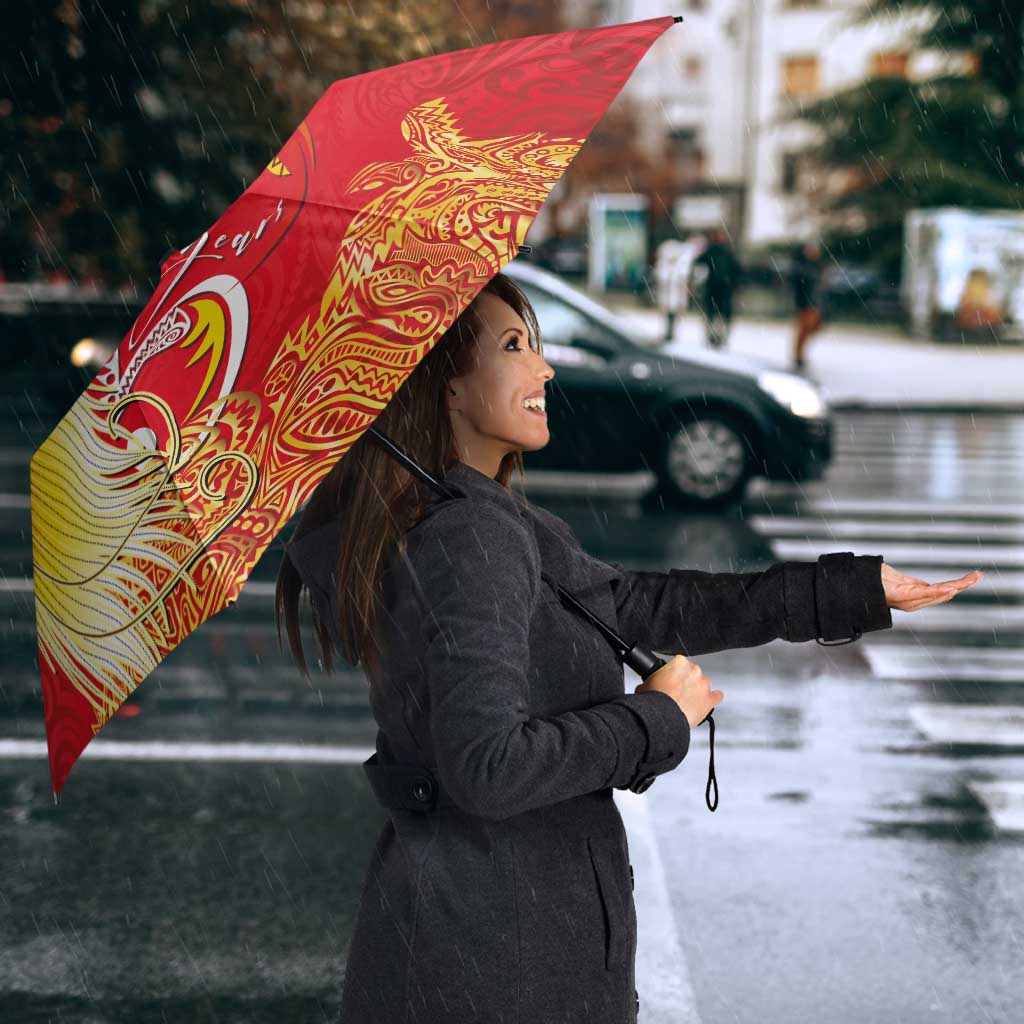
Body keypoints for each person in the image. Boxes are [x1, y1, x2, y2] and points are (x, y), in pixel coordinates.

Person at [275, 271, 972, 1024]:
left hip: (480, 942)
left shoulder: (472, 517)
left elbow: (638, 605)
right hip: (498, 963)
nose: (544, 368)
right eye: (515, 346)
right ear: (446, 385)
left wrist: (850, 592)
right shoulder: (468, 536)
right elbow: (488, 767)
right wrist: (656, 719)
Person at [692, 226, 742, 349]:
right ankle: (713, 337)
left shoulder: (725, 252)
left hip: (723, 288)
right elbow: (698, 264)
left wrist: (735, 284)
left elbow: (736, 270)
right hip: (715, 288)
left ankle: (719, 337)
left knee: (720, 315)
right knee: (713, 314)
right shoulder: (712, 251)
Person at [790, 240, 826, 371]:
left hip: (814, 303)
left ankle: (800, 354)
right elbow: (799, 286)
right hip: (805, 303)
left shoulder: (817, 266)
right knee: (804, 329)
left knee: (813, 328)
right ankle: (798, 355)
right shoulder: (802, 267)